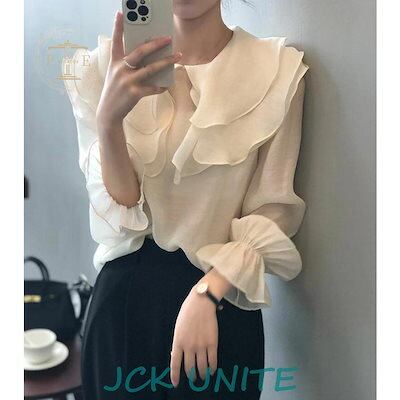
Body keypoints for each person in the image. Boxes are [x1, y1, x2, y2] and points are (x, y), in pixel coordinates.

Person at [64, 1, 309, 399]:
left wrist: (207, 292)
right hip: (123, 308)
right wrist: (109, 121)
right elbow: (122, 210)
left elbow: (272, 210)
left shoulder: (277, 70)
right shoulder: (101, 68)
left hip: (217, 309)